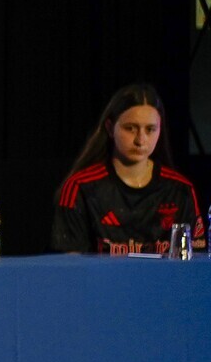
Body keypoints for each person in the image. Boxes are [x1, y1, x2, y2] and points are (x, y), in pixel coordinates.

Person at [50, 81, 203, 254]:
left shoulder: (181, 190)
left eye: (150, 129)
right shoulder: (80, 189)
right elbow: (70, 264)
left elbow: (196, 260)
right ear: (110, 128)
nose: (141, 140)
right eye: (130, 128)